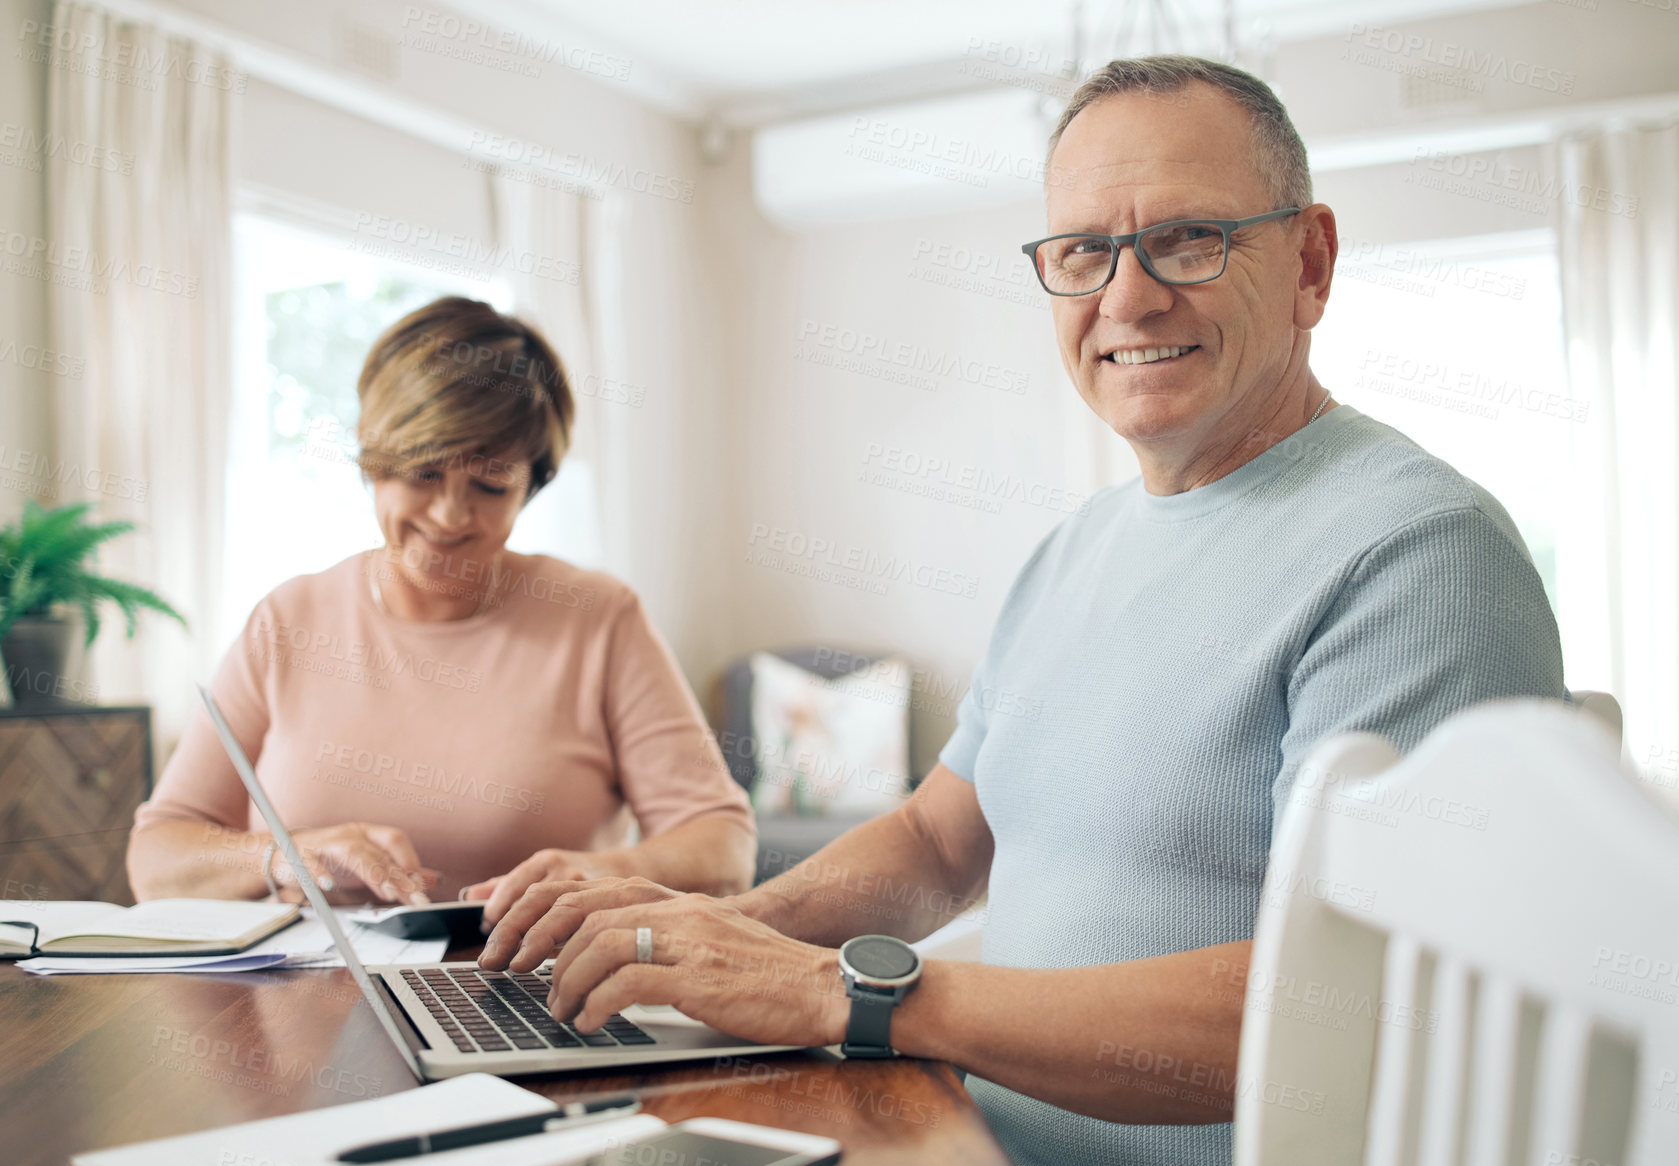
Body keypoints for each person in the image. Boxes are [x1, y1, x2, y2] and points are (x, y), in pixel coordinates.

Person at [475, 56, 1565, 1165]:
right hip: (954, 1138)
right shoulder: (1074, 548)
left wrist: (840, 991)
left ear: (1311, 262)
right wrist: (705, 940)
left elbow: (1342, 1012)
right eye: (1085, 251)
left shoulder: (1421, 552)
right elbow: (938, 840)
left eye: (1189, 237)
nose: (1127, 298)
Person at [128, 297, 756, 910]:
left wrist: (604, 873)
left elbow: (724, 847)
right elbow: (156, 858)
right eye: (424, 473)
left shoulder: (598, 620)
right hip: (306, 997)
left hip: (530, 995)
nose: (451, 515)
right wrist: (286, 856)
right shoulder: (288, 622)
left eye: (489, 484)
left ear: (530, 486)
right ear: (373, 462)